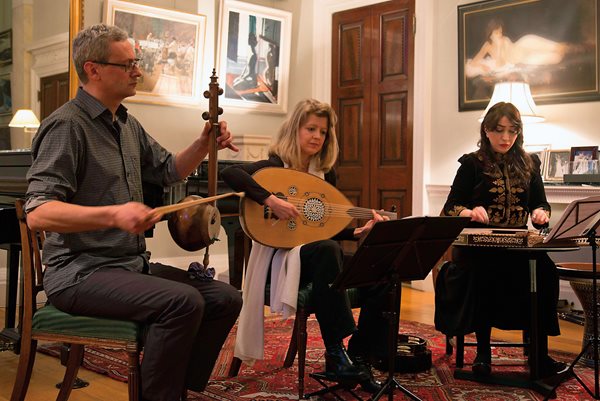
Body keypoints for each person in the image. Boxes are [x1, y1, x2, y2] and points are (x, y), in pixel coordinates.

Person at [25, 24, 242, 401]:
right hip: (78, 273)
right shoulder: (66, 126)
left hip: (126, 265)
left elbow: (169, 170)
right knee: (182, 301)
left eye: (136, 63)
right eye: (128, 65)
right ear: (93, 69)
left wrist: (204, 143)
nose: (138, 71)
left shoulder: (126, 123)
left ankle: (174, 389)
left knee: (225, 298)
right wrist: (113, 215)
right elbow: (39, 214)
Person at [221, 98, 389, 393]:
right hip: (280, 263)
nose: (317, 137)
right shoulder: (275, 166)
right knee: (327, 250)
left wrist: (360, 232)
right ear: (295, 129)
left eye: (323, 132)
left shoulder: (326, 175)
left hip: (317, 259)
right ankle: (336, 353)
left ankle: (358, 357)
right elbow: (231, 173)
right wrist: (269, 199)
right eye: (311, 128)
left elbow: (326, 229)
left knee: (381, 271)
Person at [434, 102, 566, 378]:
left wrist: (541, 213)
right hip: (479, 246)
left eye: (512, 131)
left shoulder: (530, 163)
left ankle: (539, 353)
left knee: (545, 272)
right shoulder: (472, 163)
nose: (506, 138)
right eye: (499, 131)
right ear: (486, 130)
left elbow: (540, 203)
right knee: (485, 273)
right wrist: (469, 211)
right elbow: (451, 206)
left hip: (518, 245)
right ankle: (483, 353)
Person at [466, 19, 571, 79]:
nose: (500, 35)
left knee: (531, 39)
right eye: (497, 33)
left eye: (501, 32)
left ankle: (563, 47)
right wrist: (497, 47)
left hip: (521, 46)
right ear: (491, 34)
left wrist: (502, 43)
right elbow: (499, 64)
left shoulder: (504, 39)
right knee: (557, 58)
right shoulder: (487, 45)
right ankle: (564, 51)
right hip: (522, 59)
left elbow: (513, 48)